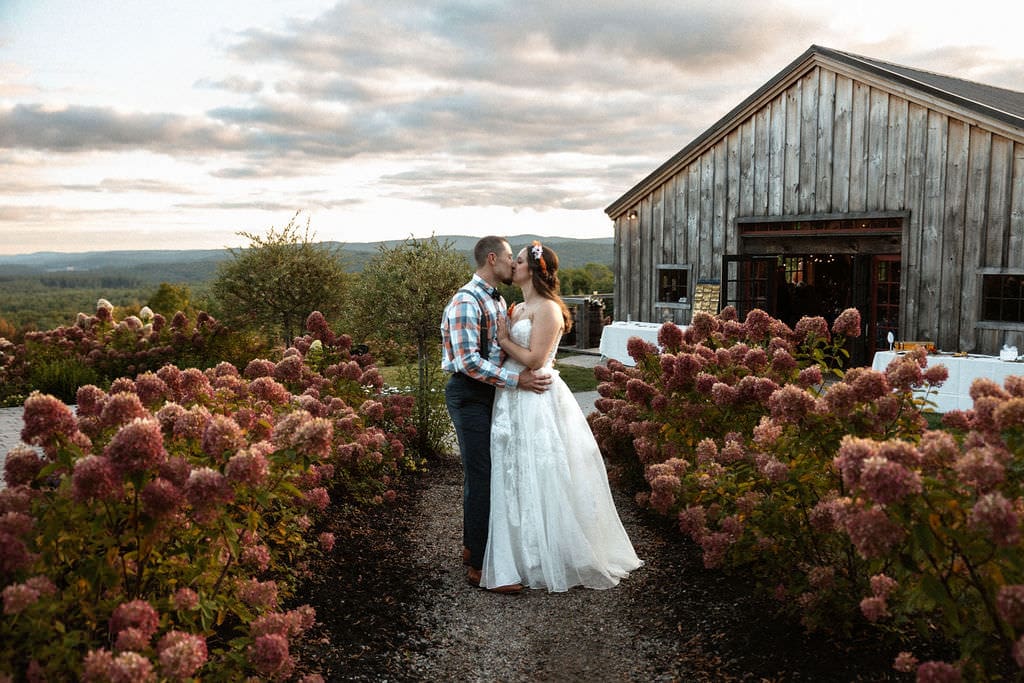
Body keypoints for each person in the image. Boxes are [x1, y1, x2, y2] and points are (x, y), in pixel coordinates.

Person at [482, 241, 642, 592]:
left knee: (542, 469)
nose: (513, 264)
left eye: (519, 260)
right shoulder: (519, 306)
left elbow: (537, 359)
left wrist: (505, 339)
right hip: (511, 394)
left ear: (533, 270)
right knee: (513, 470)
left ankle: (552, 554)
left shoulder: (549, 309)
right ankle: (519, 555)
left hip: (536, 395)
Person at [441, 236, 551, 592]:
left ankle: (473, 545)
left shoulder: (498, 300)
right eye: (509, 257)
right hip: (469, 393)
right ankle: (479, 567)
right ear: (493, 259)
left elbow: (501, 349)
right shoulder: (465, 301)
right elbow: (469, 362)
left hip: (492, 394)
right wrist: (516, 381)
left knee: (491, 471)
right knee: (483, 473)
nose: (513, 264)